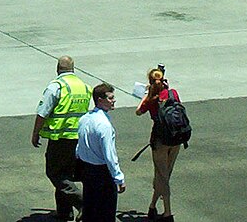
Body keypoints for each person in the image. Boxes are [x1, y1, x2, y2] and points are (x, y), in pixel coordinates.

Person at [32, 56, 92, 221]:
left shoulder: (56, 86)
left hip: (61, 137)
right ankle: (64, 212)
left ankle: (83, 203)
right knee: (66, 173)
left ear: (58, 69)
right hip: (78, 137)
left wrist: (35, 132)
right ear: (74, 69)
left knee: (55, 172)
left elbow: (42, 112)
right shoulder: (85, 87)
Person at [136, 67, 182, 221]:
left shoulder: (150, 99)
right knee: (164, 174)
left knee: (162, 176)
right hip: (176, 138)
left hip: (160, 139)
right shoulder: (172, 93)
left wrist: (146, 94)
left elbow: (138, 111)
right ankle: (152, 206)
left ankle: (167, 212)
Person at [76, 83, 125, 222]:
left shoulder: (85, 118)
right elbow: (110, 155)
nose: (113, 100)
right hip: (102, 174)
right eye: (110, 98)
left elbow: (79, 146)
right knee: (106, 212)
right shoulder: (104, 125)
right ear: (100, 100)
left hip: (87, 170)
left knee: (90, 209)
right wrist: (119, 178)